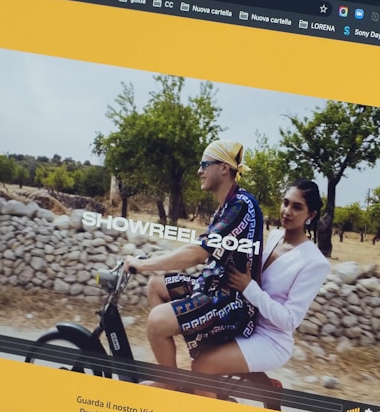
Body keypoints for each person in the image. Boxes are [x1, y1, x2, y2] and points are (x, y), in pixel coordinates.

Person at [124, 140, 263, 381]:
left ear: (223, 168)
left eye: (204, 165)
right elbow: (199, 249)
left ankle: (171, 385)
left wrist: (145, 265)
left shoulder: (241, 205)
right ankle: (172, 360)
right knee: (155, 285)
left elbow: (197, 252)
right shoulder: (225, 207)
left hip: (231, 301)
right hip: (210, 287)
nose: (199, 171)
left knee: (156, 322)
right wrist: (151, 261)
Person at [191, 178, 331, 381]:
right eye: (286, 203)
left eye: (297, 207)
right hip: (243, 321)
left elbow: (290, 320)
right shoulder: (274, 236)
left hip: (270, 339)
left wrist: (249, 287)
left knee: (203, 366)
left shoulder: (315, 262)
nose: (287, 211)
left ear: (311, 215)